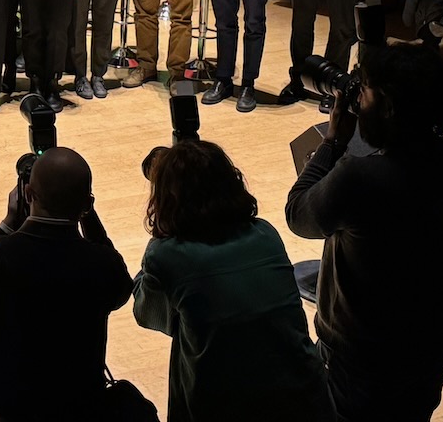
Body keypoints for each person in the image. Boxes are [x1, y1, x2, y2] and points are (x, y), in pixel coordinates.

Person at [286, 43, 443, 422]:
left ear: (389, 107)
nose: (357, 101)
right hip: (429, 346)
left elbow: (298, 214)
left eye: (364, 92)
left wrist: (334, 141)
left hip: (361, 360)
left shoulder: (360, 178)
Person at [133, 140, 333, 422]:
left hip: (227, 406)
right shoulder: (265, 234)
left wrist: (154, 252)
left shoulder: (165, 256)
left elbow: (148, 315)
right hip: (306, 396)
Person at [0, 147, 133, 422]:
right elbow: (121, 290)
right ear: (86, 204)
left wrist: (8, 223)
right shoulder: (102, 264)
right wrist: (91, 220)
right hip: (78, 414)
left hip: (0, 415)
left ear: (27, 194)